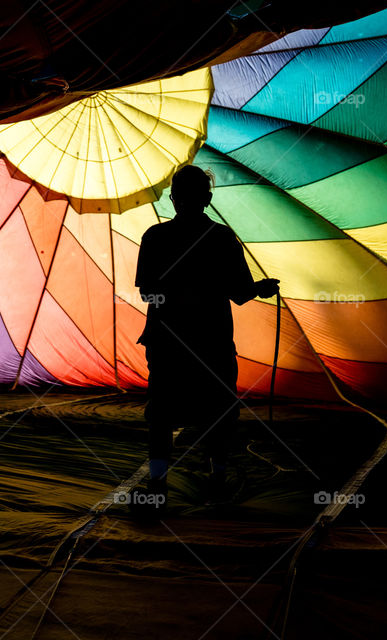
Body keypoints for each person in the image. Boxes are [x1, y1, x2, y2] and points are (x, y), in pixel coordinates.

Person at [133, 164, 279, 511]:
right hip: (211, 340)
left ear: (173, 198)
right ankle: (218, 479)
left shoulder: (155, 237)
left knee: (163, 410)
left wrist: (176, 299)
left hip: (166, 340)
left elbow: (147, 292)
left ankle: (157, 483)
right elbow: (241, 293)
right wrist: (261, 288)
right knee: (219, 408)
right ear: (208, 199)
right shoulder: (222, 238)